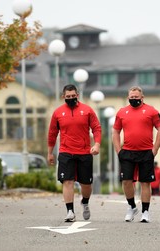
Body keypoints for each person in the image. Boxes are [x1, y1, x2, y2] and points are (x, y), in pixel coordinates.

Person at [47, 84, 101, 222]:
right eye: (68, 97)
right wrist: (50, 153)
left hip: (84, 152)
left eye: (73, 96)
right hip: (66, 152)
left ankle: (85, 202)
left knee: (86, 184)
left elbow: (96, 128)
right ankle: (70, 211)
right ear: (63, 97)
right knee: (67, 181)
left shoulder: (87, 110)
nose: (71, 98)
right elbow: (52, 133)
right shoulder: (58, 112)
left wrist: (96, 144)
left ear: (77, 95)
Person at [112, 86, 160, 223]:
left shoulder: (151, 111)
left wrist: (155, 149)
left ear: (142, 98)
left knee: (145, 183)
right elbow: (115, 132)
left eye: (136, 97)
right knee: (126, 181)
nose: (134, 99)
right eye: (131, 97)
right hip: (127, 152)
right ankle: (131, 207)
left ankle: (145, 212)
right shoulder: (122, 112)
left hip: (146, 152)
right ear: (128, 97)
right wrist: (118, 150)